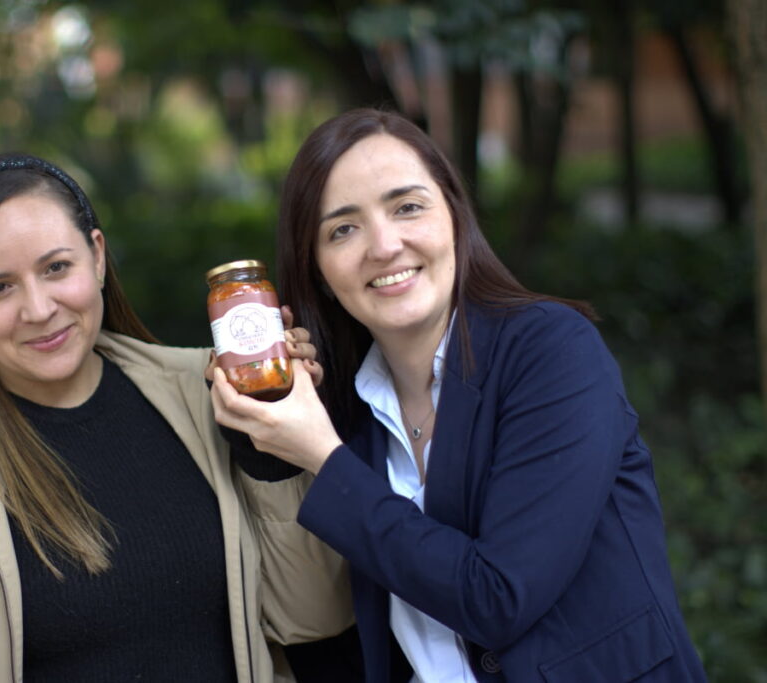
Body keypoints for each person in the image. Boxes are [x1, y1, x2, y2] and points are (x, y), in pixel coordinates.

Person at [0, 153, 354, 682]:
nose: (39, 308)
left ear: (96, 257)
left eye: (56, 268)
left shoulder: (208, 396)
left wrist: (271, 448)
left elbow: (314, 618)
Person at [209, 108, 708, 682]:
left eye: (408, 207)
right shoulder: (346, 407)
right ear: (318, 269)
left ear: (454, 215)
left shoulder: (551, 351)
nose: (384, 245)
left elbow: (498, 598)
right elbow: (325, 624)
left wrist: (324, 456)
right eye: (343, 229)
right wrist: (266, 419)